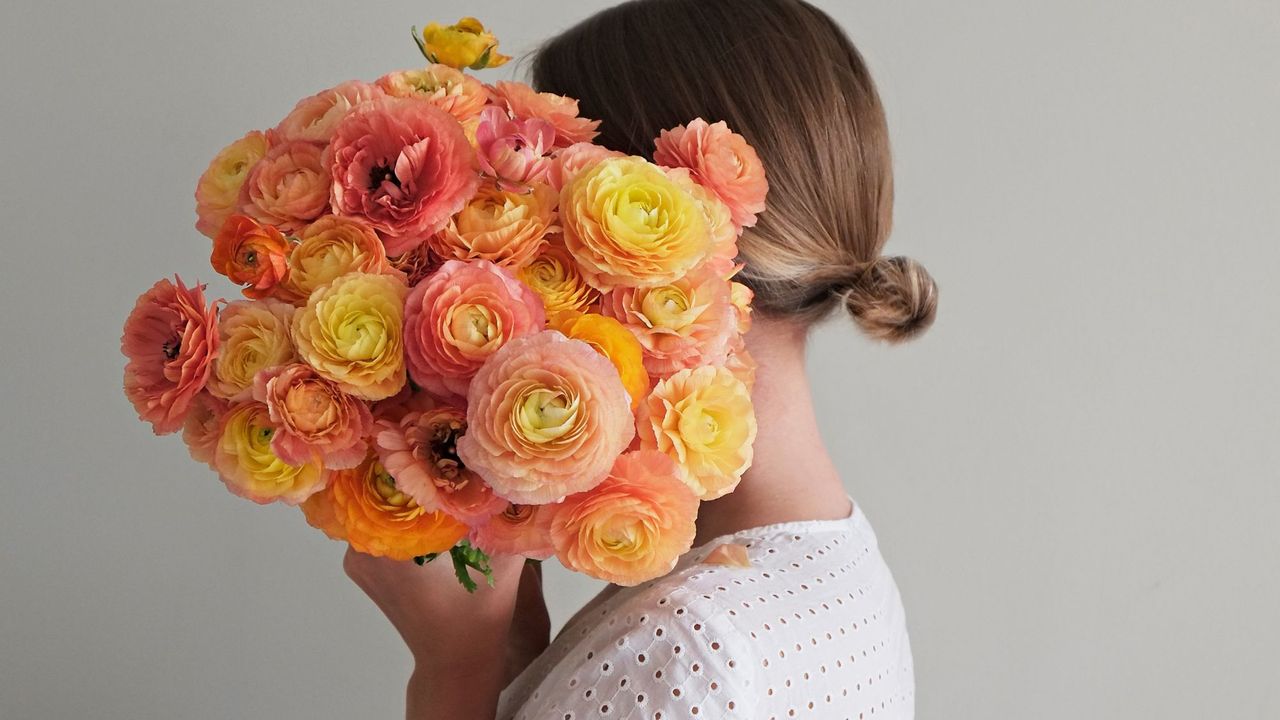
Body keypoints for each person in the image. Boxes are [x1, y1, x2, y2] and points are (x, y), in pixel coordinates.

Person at [342, 1, 938, 718]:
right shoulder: (832, 568)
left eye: (541, 210)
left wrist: (452, 667)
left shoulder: (690, 641)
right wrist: (519, 652)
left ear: (650, 241)